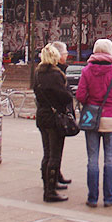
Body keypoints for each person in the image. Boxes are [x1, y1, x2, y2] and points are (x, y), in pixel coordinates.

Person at [76, 38, 112, 208]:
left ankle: (92, 198)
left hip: (91, 118)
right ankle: (108, 197)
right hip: (111, 119)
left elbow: (80, 96)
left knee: (92, 159)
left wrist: (91, 102)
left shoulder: (86, 70)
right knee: (110, 159)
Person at [33, 43, 73, 203]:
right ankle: (50, 191)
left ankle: (48, 184)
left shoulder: (38, 73)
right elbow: (65, 96)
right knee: (55, 154)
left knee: (47, 152)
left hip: (42, 115)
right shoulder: (55, 75)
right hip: (55, 117)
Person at [51, 40, 72, 187]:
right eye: (65, 53)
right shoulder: (55, 73)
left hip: (52, 115)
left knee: (56, 149)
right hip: (55, 116)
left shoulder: (50, 70)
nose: (67, 55)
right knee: (53, 150)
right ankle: (50, 184)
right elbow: (62, 94)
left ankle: (56, 175)